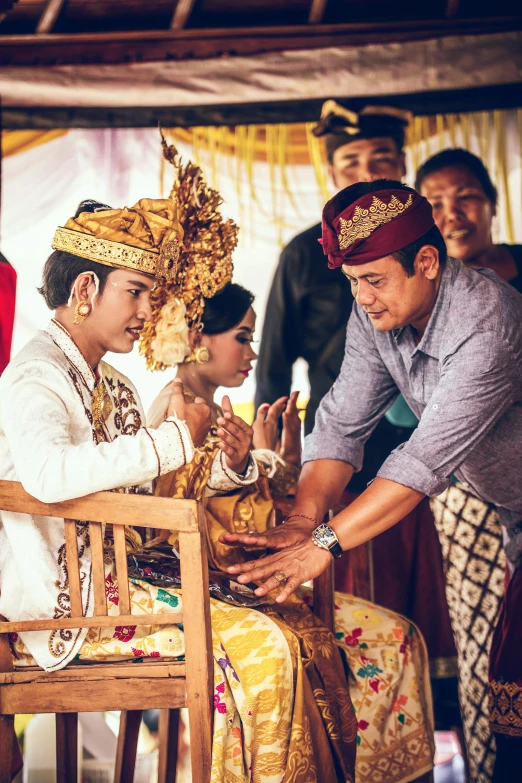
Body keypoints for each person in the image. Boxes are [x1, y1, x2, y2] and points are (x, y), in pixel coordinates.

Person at [224, 179, 522, 782]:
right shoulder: (379, 313)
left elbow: (421, 464)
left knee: (513, 705)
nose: (361, 297)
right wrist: (304, 520)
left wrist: (323, 545)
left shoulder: (486, 324)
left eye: (374, 280)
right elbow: (339, 423)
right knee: (512, 702)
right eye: (353, 282)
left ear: (428, 262)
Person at [255, 100, 457, 690]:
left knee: (438, 609)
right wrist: (283, 470)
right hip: (342, 468)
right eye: (351, 164)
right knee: (355, 616)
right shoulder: (303, 255)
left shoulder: (434, 255)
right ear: (332, 173)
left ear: (402, 167)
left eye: (381, 161)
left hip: (444, 460)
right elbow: (274, 367)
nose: (365, 174)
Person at [414, 148, 522, 781]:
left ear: (491, 202)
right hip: (464, 490)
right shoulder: (425, 298)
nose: (453, 213)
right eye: (435, 203)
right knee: (485, 642)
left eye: (466, 197)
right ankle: (490, 771)